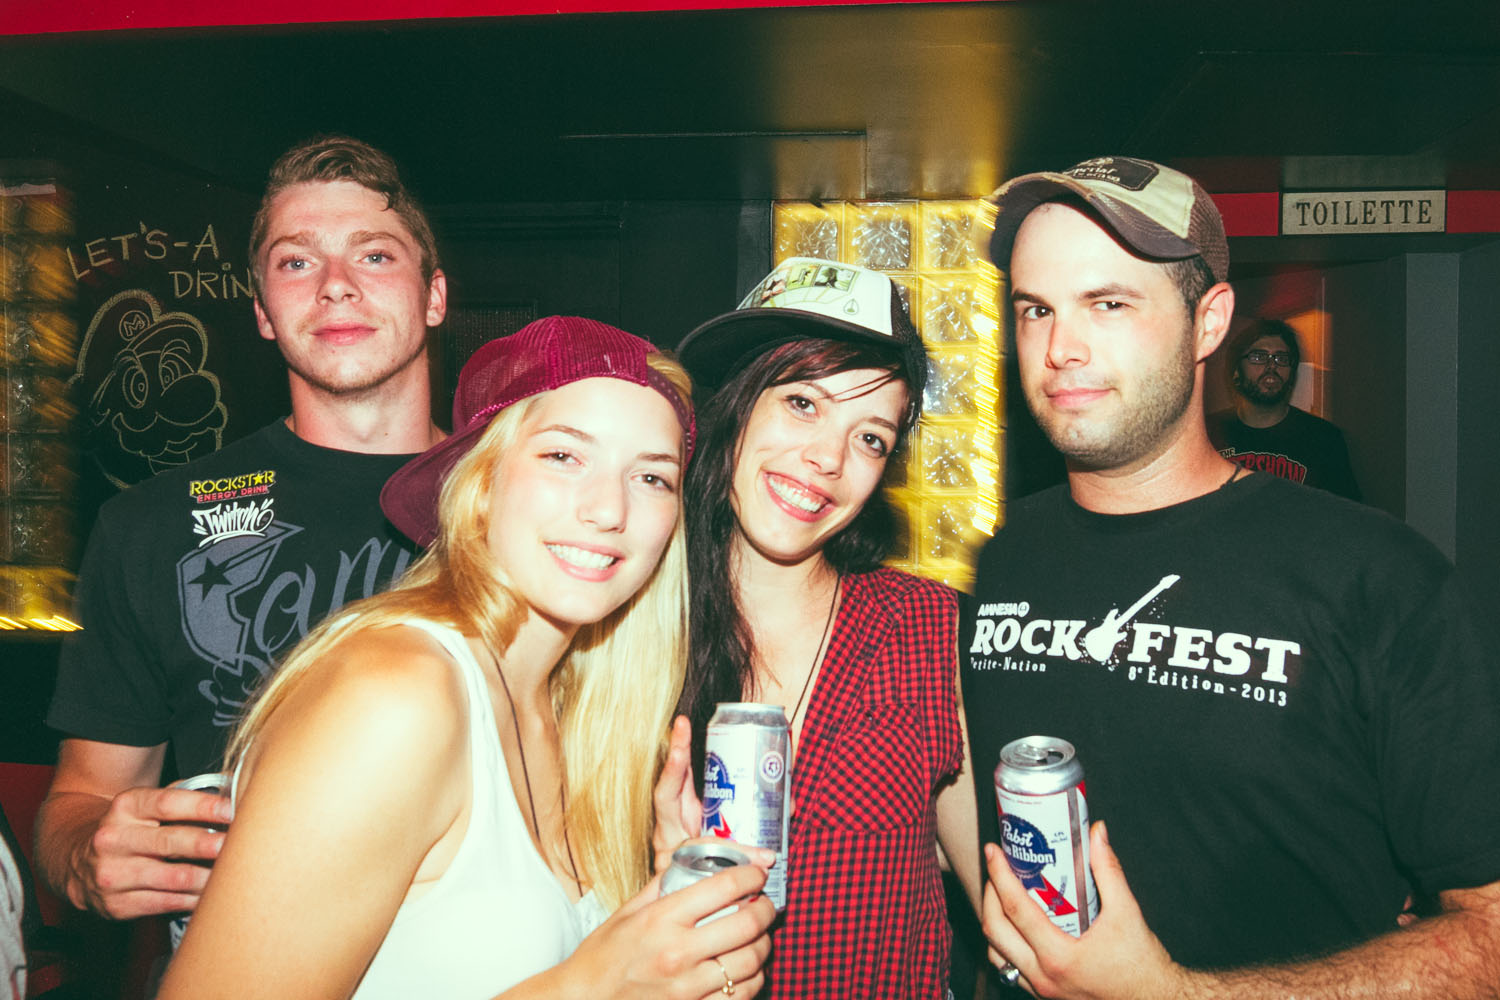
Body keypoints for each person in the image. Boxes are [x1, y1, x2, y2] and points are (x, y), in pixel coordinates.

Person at [964, 155, 1500, 998]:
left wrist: (1175, 995)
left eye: (1108, 304)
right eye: (1037, 309)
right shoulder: (1007, 556)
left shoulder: (1379, 579)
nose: (1061, 348)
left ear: (1208, 322)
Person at [159, 316, 775, 999]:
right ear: (480, 483)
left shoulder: (567, 710)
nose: (609, 509)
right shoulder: (396, 695)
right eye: (563, 456)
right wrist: (589, 988)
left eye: (652, 477)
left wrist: (666, 915)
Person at [38, 134, 447, 922]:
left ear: (433, 296)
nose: (335, 285)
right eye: (296, 261)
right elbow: (79, 801)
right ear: (262, 311)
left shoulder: (530, 510)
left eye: (374, 256)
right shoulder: (151, 525)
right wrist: (88, 857)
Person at [653, 257, 982, 999]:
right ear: (736, 406)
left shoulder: (926, 631)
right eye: (803, 403)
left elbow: (1005, 906)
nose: (828, 459)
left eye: (871, 439)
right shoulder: (625, 626)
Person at [1207, 317, 1361, 500]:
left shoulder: (1324, 439)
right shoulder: (1208, 433)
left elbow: (1345, 511)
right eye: (1258, 357)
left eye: (1281, 358)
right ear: (1236, 371)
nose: (1272, 366)